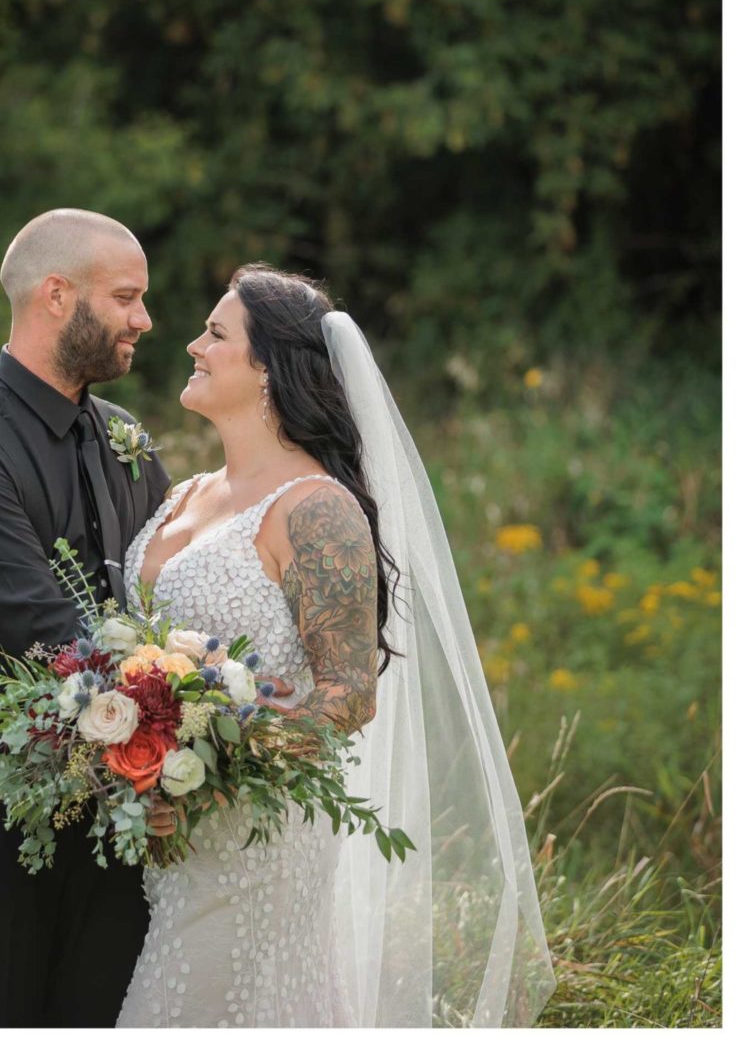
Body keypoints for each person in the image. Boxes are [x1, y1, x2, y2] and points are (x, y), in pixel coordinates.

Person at [113, 266, 553, 1025]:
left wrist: (213, 773)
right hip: (168, 843)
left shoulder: (318, 511)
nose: (192, 344)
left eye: (216, 334)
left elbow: (348, 695)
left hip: (258, 838)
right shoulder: (183, 493)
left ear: (268, 368)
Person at [0, 209, 171, 1026]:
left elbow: (165, 607)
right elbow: (52, 636)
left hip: (121, 807)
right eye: (127, 297)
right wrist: (188, 721)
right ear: (58, 294)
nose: (144, 319)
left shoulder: (129, 439)